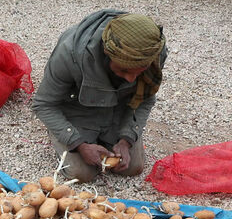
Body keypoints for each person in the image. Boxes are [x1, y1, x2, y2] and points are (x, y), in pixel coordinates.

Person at [33, 10, 166, 183]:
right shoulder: (70, 53)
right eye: (124, 70)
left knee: (133, 168)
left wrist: (126, 139)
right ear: (106, 52)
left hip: (119, 109)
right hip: (78, 109)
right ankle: (59, 132)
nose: (131, 79)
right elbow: (43, 104)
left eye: (138, 72)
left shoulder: (153, 53)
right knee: (82, 174)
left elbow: (145, 100)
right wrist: (77, 143)